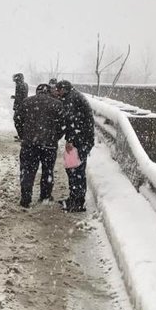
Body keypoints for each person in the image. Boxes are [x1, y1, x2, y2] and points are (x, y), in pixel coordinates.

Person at [13, 84, 65, 207]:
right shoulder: (57, 104)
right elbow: (63, 125)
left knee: (27, 171)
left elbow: (17, 119)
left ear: (37, 92)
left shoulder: (26, 102)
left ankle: (26, 198)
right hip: (49, 145)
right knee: (48, 171)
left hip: (29, 144)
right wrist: (55, 137)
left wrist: (23, 135)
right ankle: (45, 196)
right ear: (49, 92)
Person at [54, 80, 95, 212]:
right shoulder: (74, 96)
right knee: (75, 169)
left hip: (80, 140)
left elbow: (72, 120)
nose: (57, 92)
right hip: (83, 138)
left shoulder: (71, 99)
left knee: (76, 170)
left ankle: (77, 202)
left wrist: (70, 140)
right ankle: (74, 199)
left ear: (63, 89)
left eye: (58, 90)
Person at [11, 73, 29, 141]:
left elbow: (20, 96)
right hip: (23, 105)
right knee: (21, 121)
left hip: (20, 106)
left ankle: (21, 136)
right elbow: (23, 95)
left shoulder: (19, 85)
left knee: (17, 121)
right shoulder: (25, 84)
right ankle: (21, 135)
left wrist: (15, 98)